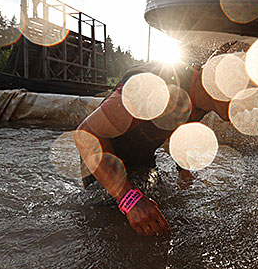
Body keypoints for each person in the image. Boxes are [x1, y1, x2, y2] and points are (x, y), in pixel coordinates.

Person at [75, 60, 231, 236]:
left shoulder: (205, 100)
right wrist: (129, 199)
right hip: (104, 159)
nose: (248, 105)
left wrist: (183, 170)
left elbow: (179, 130)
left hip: (142, 155)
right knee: (107, 229)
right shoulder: (155, 85)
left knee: (157, 216)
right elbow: (87, 134)